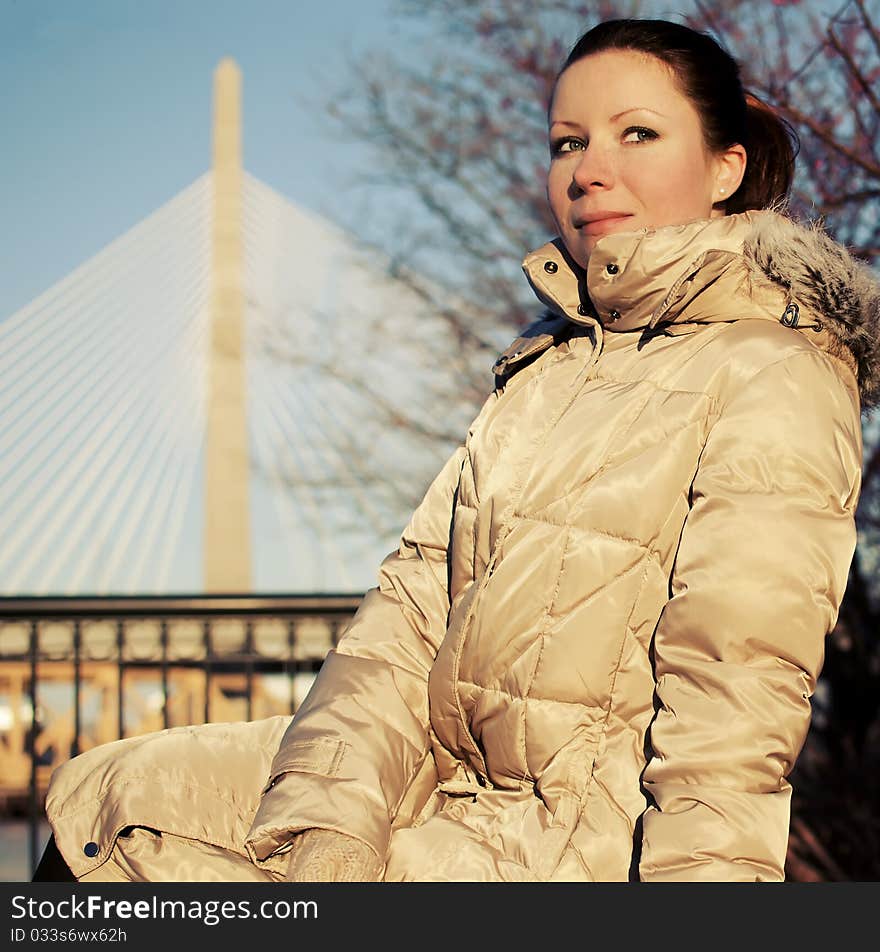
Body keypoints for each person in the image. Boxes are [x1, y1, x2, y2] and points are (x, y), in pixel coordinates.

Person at [38, 17, 880, 883]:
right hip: (439, 794)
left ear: (724, 168)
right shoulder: (546, 371)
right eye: (567, 142)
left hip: (567, 846)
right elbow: (401, 630)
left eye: (638, 133)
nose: (590, 170)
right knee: (109, 799)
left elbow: (734, 693)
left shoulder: (775, 369)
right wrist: (330, 833)